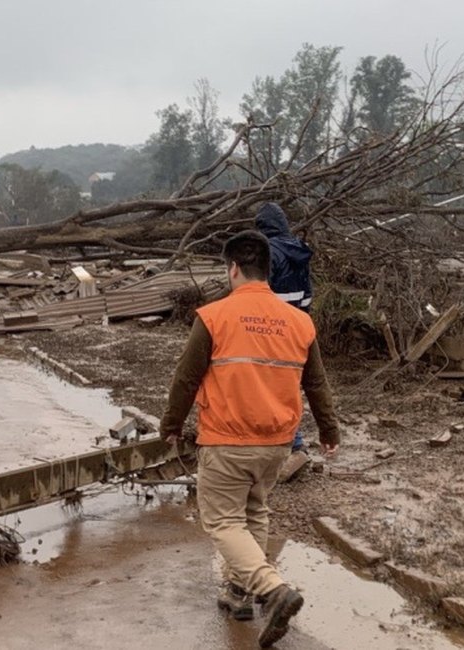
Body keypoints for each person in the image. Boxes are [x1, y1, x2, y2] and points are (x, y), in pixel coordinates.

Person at [159, 230, 340, 648]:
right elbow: (317, 383)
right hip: (276, 443)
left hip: (227, 439)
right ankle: (239, 594)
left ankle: (272, 590)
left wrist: (170, 424)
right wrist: (329, 430)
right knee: (254, 511)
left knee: (222, 520)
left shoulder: (214, 316)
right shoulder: (299, 321)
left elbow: (186, 379)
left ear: (233, 268)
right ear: (269, 271)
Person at [255, 202, 314, 454]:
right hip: (295, 324)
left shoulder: (267, 253)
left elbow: (258, 293)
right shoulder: (299, 251)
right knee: (290, 383)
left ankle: (283, 440)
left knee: (264, 384)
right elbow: (308, 294)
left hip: (267, 328)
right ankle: (294, 439)